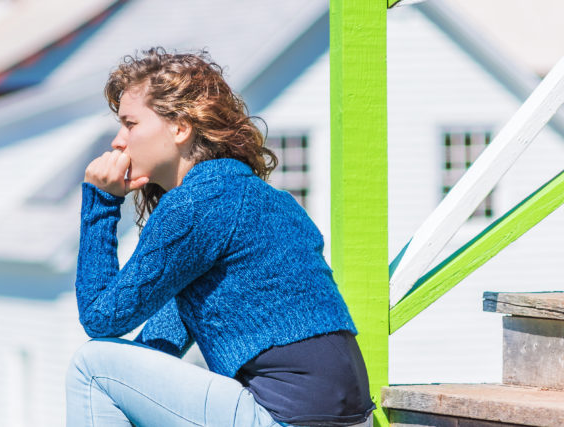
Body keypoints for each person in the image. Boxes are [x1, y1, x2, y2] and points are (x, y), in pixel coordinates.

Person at [66, 47, 375, 427]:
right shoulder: (264, 199)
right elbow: (158, 347)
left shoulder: (198, 203)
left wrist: (101, 203)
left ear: (180, 128)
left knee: (91, 366)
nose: (117, 141)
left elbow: (101, 319)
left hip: (285, 416)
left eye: (130, 124)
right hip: (349, 417)